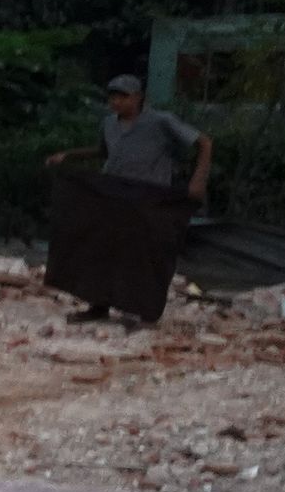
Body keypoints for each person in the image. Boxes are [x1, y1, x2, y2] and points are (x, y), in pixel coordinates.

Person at [48, 75, 214, 327]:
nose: (116, 102)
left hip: (150, 199)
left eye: (123, 96)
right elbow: (104, 151)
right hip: (114, 196)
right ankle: (98, 306)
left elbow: (204, 143)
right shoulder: (109, 124)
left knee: (146, 256)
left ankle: (146, 312)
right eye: (113, 96)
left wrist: (198, 181)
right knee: (103, 250)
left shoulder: (160, 122)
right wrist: (68, 155)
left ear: (138, 97)